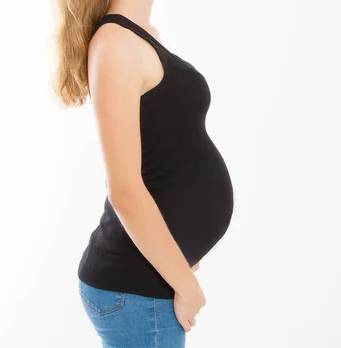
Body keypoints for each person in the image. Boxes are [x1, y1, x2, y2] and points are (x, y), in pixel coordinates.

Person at [52, 0, 235, 346]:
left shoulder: (139, 37)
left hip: (147, 283)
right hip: (135, 289)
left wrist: (180, 258)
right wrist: (185, 284)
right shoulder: (116, 45)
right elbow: (123, 190)